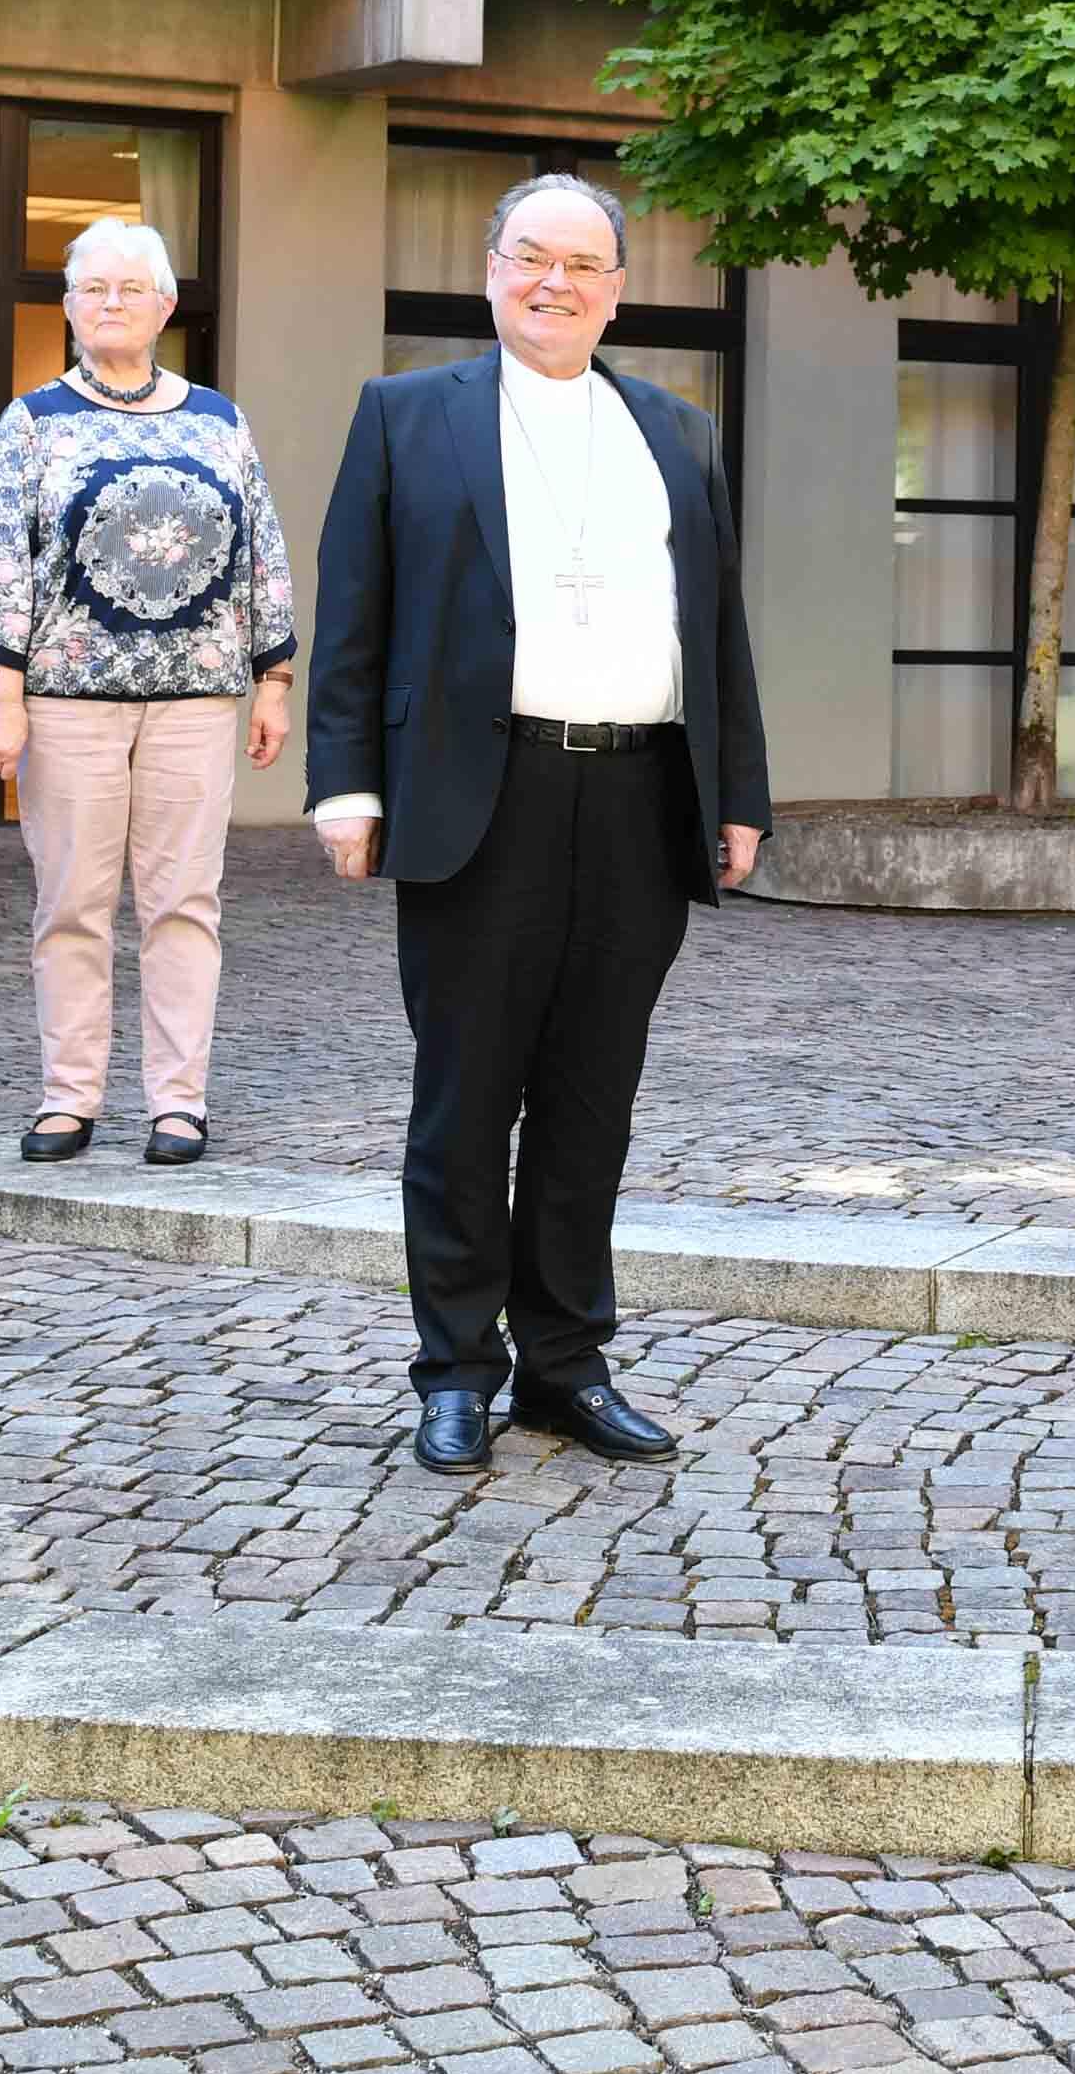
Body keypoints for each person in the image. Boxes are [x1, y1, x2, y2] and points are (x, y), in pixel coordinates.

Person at [304, 169, 771, 1478]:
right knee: (464, 1099)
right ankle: (456, 1367)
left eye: (581, 264)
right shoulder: (406, 417)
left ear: (616, 288)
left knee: (589, 1101)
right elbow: (352, 615)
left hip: (636, 797)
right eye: (529, 257)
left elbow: (717, 631)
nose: (553, 282)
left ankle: (565, 1364)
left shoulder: (678, 433)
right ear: (491, 266)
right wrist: (345, 782)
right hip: (478, 798)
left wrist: (737, 791)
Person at [0, 216, 295, 1167]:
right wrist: (5, 696)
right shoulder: (34, 421)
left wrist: (272, 680)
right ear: (69, 308)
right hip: (70, 699)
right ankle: (69, 1098)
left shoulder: (219, 420)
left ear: (165, 305)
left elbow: (261, 553)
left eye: (129, 288)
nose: (111, 304)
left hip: (196, 698)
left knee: (185, 902)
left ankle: (178, 1104)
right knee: (71, 902)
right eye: (92, 289)